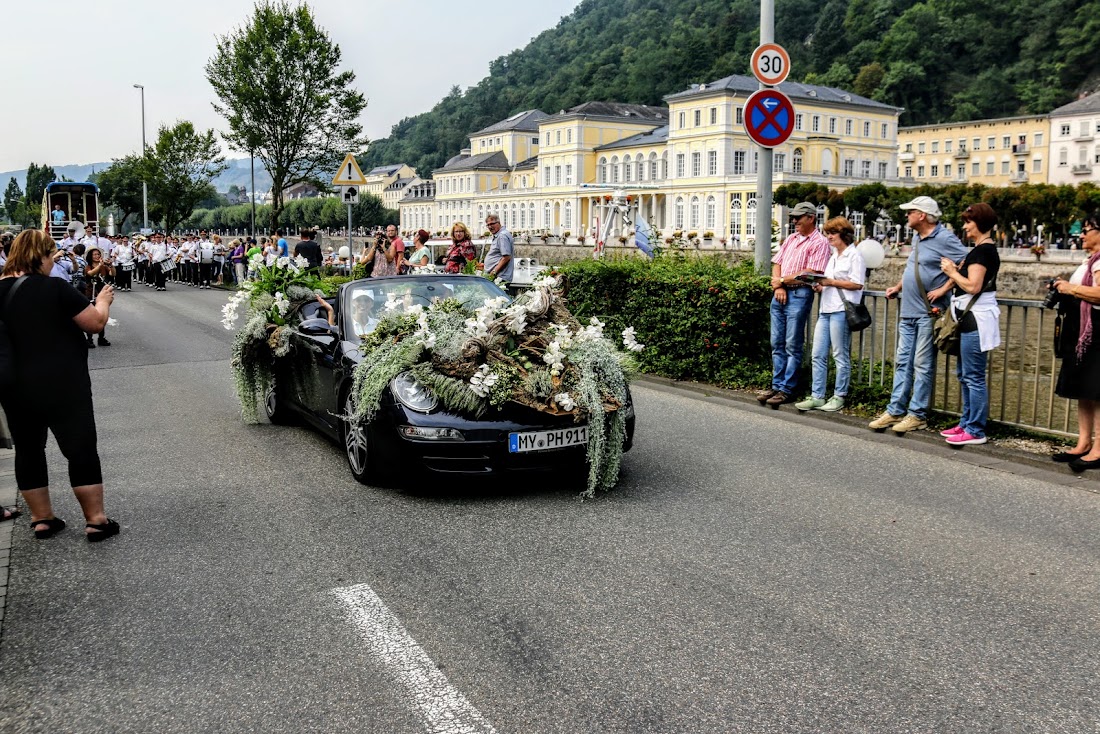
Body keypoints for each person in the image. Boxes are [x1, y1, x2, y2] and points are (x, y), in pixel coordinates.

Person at [0, 230, 119, 541]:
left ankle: (42, 519)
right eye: (51, 256)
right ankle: (95, 520)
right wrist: (103, 302)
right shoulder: (55, 288)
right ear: (39, 256)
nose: (54, 263)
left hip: (15, 387)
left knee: (28, 450)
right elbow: (94, 322)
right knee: (79, 449)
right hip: (63, 383)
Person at [869, 196, 967, 433]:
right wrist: (898, 287)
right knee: (903, 362)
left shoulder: (944, 238)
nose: (906, 216)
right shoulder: (917, 237)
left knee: (922, 364)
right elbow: (914, 267)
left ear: (922, 215)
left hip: (929, 312)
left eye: (910, 211)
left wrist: (944, 288)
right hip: (909, 310)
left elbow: (966, 260)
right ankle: (895, 411)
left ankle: (917, 414)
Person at [937, 203, 1001, 447]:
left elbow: (973, 286)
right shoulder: (981, 250)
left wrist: (952, 272)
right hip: (970, 318)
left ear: (980, 224)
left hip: (975, 319)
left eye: (968, 222)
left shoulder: (982, 252)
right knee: (965, 374)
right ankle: (966, 423)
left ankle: (975, 429)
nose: (964, 227)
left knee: (973, 376)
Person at [756, 202, 831, 407]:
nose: (794, 220)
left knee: (792, 344)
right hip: (781, 294)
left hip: (799, 295)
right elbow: (777, 263)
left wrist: (781, 282)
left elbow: (811, 275)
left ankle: (787, 389)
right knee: (776, 343)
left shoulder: (820, 242)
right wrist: (778, 286)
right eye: (794, 217)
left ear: (811, 218)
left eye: (799, 217)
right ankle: (777, 385)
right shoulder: (791, 238)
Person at [795, 216, 865, 413]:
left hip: (841, 310)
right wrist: (819, 285)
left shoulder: (854, 255)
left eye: (832, 233)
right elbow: (828, 281)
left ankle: (838, 396)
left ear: (843, 234)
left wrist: (830, 282)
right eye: (827, 233)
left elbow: (857, 283)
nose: (828, 237)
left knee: (839, 355)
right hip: (826, 308)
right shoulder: (833, 255)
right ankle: (817, 396)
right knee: (817, 354)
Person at [1050, 213, 1100, 470]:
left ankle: (1099, 449)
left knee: (1097, 391)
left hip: (1096, 334)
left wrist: (1071, 289)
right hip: (1084, 333)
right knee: (1084, 390)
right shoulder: (1090, 260)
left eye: (1087, 229)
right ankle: (1084, 443)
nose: (1081, 234)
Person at [84, 246, 112, 347]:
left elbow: (112, 274)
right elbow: (90, 274)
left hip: (101, 293)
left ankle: (101, 338)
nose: (97, 256)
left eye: (98, 254)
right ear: (90, 257)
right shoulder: (88, 266)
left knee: (102, 316)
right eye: (94, 254)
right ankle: (89, 339)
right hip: (90, 293)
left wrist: (111, 265)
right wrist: (99, 266)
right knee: (90, 316)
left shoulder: (103, 266)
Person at [483, 214, 514, 284]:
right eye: (488, 225)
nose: (490, 227)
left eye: (492, 224)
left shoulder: (502, 236)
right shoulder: (499, 235)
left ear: (498, 223)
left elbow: (506, 257)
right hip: (498, 277)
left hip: (499, 278)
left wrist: (493, 272)